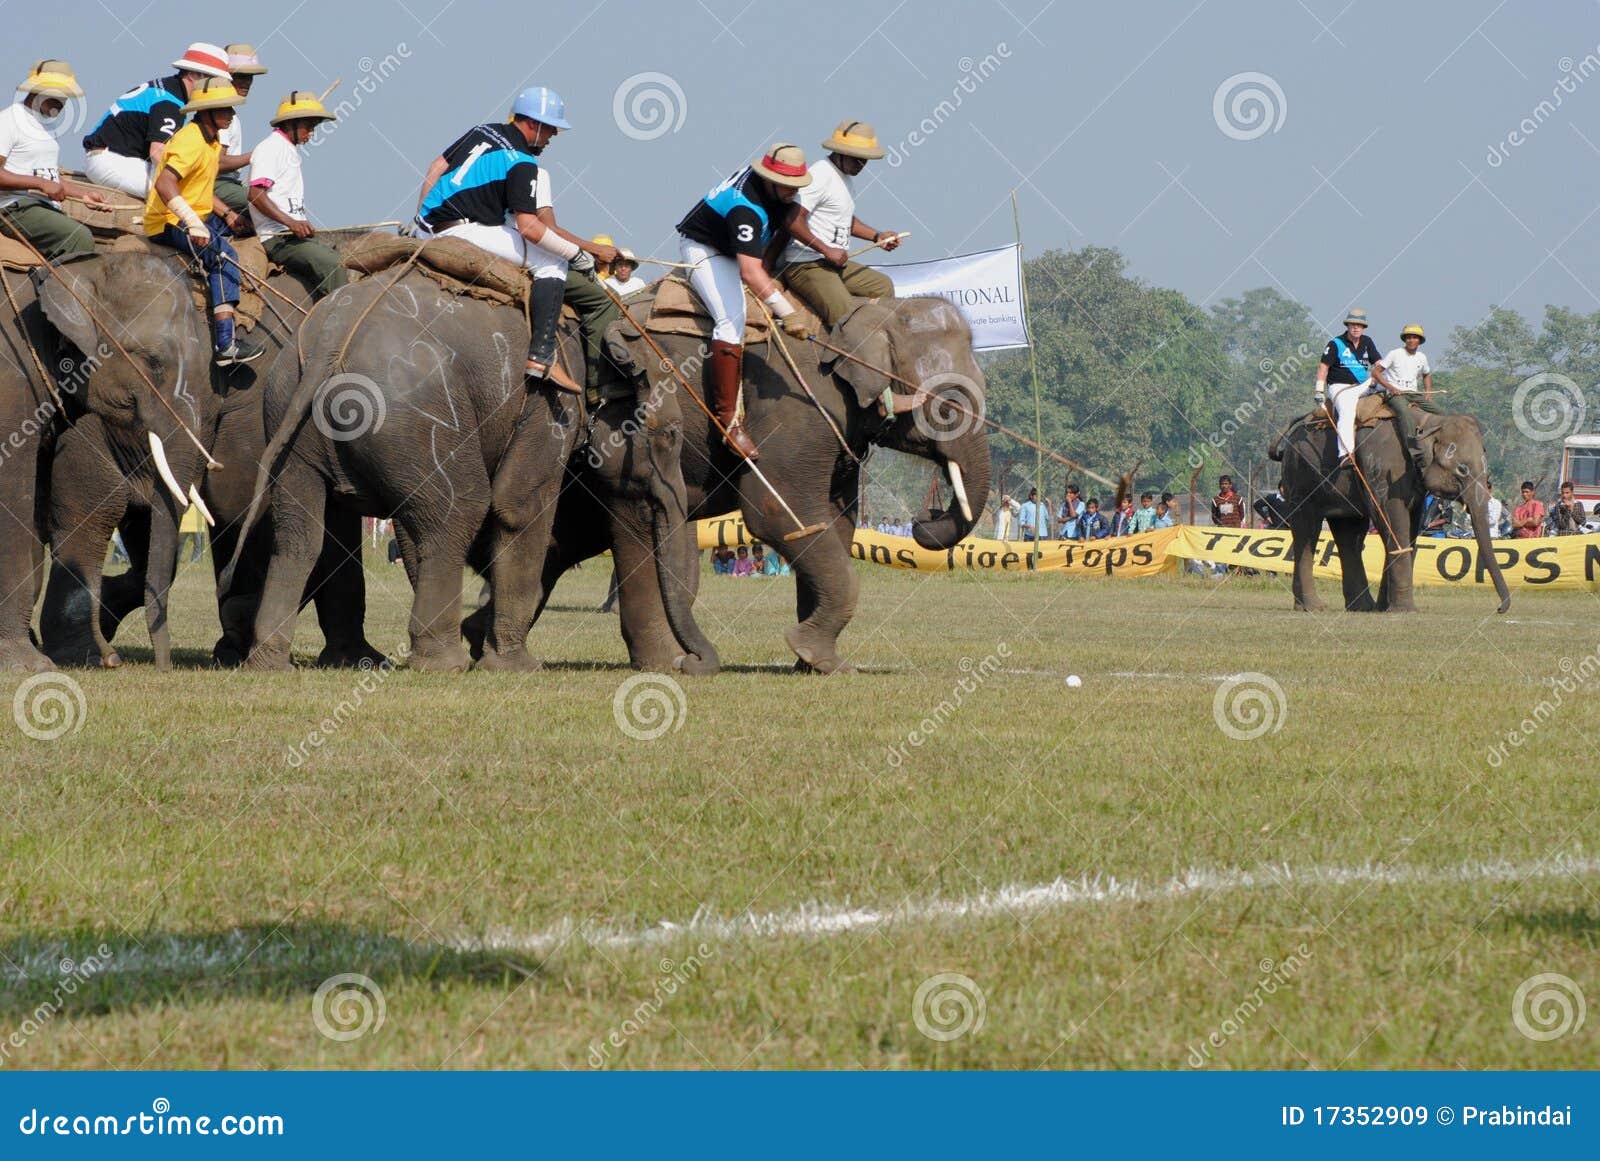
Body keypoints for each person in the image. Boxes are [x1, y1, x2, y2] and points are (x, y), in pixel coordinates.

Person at [414, 87, 618, 392]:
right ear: (533, 125)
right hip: (463, 230)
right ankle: (541, 357)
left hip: (424, 225)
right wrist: (576, 254)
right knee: (552, 263)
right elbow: (530, 229)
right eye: (550, 129)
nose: (552, 137)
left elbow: (436, 168)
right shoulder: (523, 161)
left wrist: (419, 219)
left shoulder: (482, 129)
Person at [675, 143, 813, 459]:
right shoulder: (744, 210)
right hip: (707, 250)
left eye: (797, 185)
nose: (794, 191)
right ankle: (728, 422)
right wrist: (786, 311)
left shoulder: (780, 192)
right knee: (730, 321)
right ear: (769, 179)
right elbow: (750, 272)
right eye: (788, 186)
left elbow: (787, 220)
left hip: (741, 248)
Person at [143, 77, 264, 366]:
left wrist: (227, 214)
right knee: (224, 256)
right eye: (225, 109)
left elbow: (207, 177)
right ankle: (226, 344)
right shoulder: (190, 140)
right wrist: (192, 223)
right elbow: (165, 183)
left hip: (198, 215)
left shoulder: (211, 141)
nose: (231, 115)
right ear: (206, 111)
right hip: (168, 220)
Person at [778, 120, 901, 328]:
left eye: (865, 160)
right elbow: (791, 220)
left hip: (834, 263)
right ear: (840, 152)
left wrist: (876, 236)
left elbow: (844, 218)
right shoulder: (820, 175)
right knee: (848, 319)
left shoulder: (844, 179)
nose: (862, 165)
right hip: (807, 264)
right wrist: (826, 250)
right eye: (857, 159)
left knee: (883, 286)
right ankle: (841, 357)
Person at [84, 43, 232, 196]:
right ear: (193, 75)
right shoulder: (170, 103)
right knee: (182, 193)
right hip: (113, 162)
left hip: (114, 160)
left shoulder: (166, 88)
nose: (215, 89)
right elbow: (157, 152)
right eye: (212, 81)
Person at [245, 92, 346, 300]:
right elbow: (255, 194)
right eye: (308, 127)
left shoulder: (288, 150)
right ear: (291, 123)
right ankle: (342, 322)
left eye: (313, 128)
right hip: (278, 239)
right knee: (332, 265)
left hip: (292, 235)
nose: (311, 133)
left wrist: (300, 223)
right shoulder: (271, 148)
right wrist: (292, 223)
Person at [0, 61, 103, 260]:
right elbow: (43, 181)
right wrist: (40, 184)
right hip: (13, 208)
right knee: (79, 238)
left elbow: (50, 178)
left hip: (41, 208)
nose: (62, 101)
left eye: (65, 96)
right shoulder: (9, 120)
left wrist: (84, 195)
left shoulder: (46, 127)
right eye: (56, 94)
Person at [1314, 308, 1395, 468]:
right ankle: (1345, 454)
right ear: (1348, 326)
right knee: (1348, 411)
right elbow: (1323, 367)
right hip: (1340, 387)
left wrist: (1390, 383)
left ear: (1363, 327)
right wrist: (1318, 390)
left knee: (1390, 391)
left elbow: (1378, 364)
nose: (1356, 328)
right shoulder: (1336, 343)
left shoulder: (1367, 342)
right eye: (1353, 325)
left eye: (1359, 325)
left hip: (1363, 385)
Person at [213, 45, 266, 222]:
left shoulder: (230, 112)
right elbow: (217, 163)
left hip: (230, 183)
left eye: (249, 77)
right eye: (240, 76)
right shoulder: (221, 112)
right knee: (270, 205)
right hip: (217, 184)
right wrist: (258, 154)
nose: (246, 82)